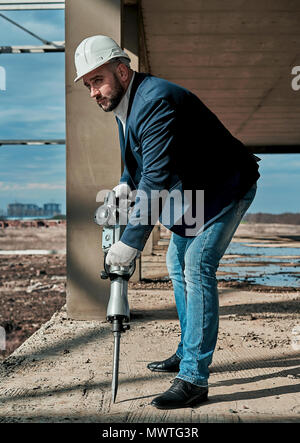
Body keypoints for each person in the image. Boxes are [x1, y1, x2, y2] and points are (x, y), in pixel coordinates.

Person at [74, 35, 260, 409]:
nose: (93, 91)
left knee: (196, 265)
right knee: (177, 263)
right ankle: (188, 350)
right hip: (195, 193)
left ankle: (193, 378)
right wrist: (126, 184)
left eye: (98, 80)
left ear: (122, 71)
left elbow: (156, 180)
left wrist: (129, 243)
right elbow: (138, 161)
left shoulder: (155, 100)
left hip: (226, 188)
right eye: (88, 84)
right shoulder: (124, 105)